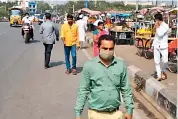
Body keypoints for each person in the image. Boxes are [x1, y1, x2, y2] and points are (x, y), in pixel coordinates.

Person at [75, 35, 134, 119]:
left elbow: (126, 89)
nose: (108, 51)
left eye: (111, 49)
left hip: (115, 114)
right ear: (98, 47)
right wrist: (78, 113)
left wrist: (129, 110)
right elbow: (83, 90)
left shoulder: (120, 65)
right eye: (105, 48)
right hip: (96, 114)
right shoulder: (90, 66)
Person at [152, 13, 169, 81]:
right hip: (156, 45)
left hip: (163, 46)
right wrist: (153, 45)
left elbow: (160, 34)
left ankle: (163, 71)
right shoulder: (157, 26)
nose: (155, 21)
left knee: (165, 60)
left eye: (155, 20)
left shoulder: (165, 26)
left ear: (158, 20)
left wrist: (157, 27)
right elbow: (156, 36)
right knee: (156, 61)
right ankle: (159, 75)